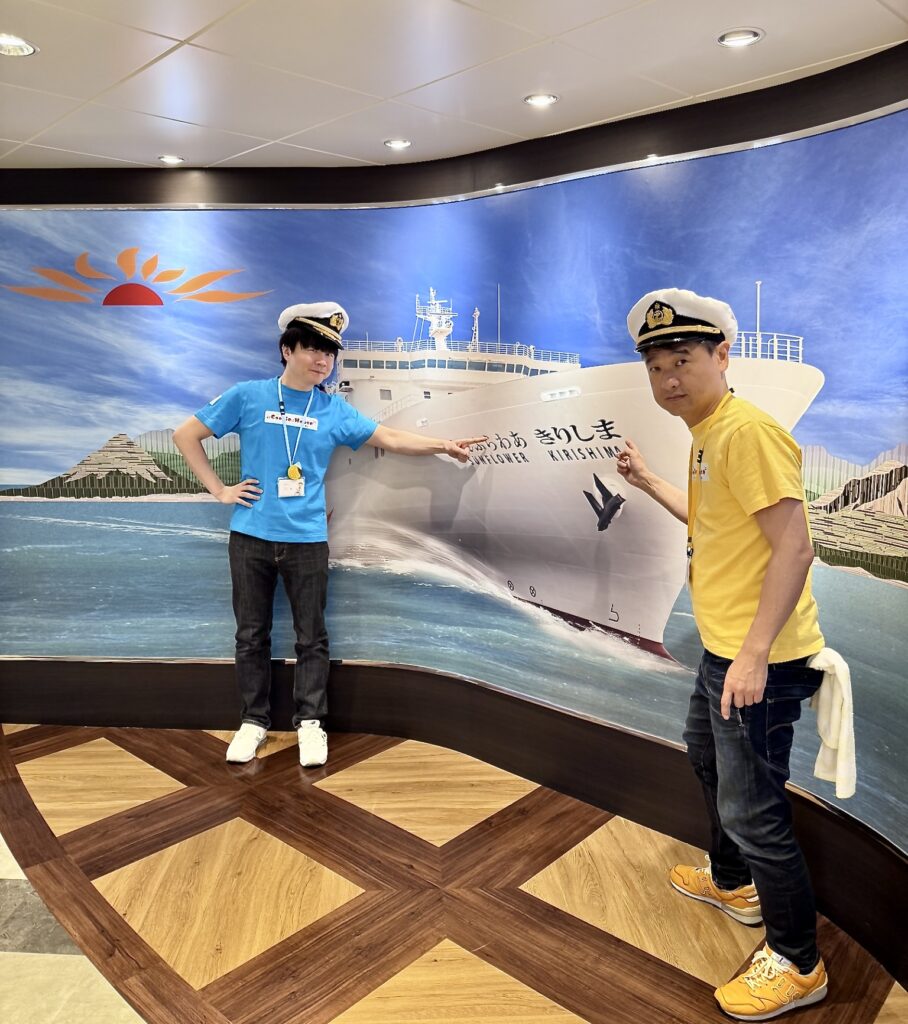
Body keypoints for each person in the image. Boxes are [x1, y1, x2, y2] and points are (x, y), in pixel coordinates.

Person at [617, 288, 828, 1021]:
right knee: (705, 757)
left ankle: (799, 962)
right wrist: (647, 480)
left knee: (754, 808)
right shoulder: (708, 433)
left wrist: (755, 655)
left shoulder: (746, 433)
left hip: (758, 662)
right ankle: (734, 883)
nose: (668, 378)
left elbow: (795, 549)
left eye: (682, 359)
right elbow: (712, 524)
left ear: (721, 356)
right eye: (656, 367)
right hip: (725, 652)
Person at [174, 301, 485, 769]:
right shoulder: (248, 396)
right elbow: (185, 435)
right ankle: (253, 721)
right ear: (287, 350)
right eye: (313, 349)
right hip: (250, 536)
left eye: (330, 353)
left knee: (312, 636)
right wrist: (219, 490)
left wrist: (444, 444)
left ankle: (310, 721)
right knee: (251, 634)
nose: (323, 361)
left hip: (307, 539)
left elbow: (389, 438)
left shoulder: (333, 409)